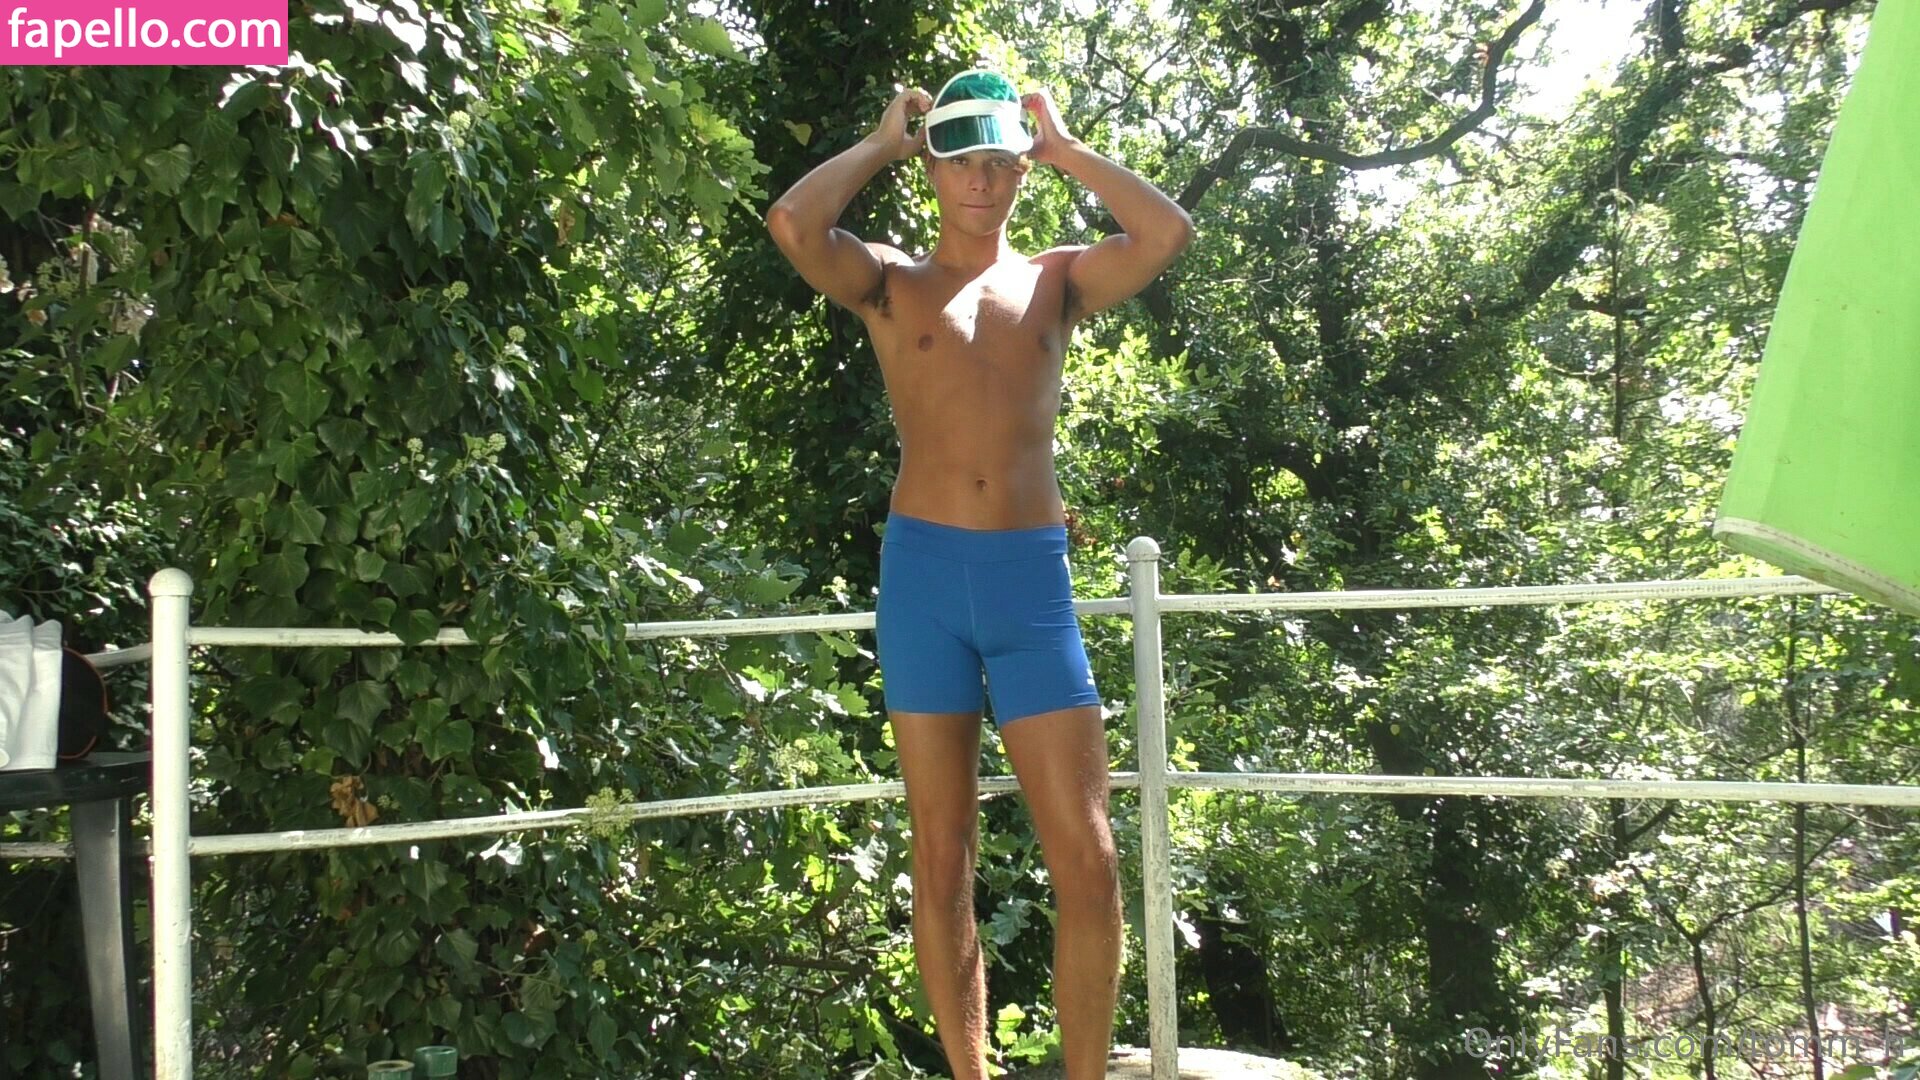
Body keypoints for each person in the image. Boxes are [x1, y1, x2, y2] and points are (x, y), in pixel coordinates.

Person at [765, 67, 1193, 1080]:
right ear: (934, 169)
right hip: (923, 582)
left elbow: (1165, 233)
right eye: (964, 161)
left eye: (1001, 163)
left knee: (1088, 857)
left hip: (1028, 589)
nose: (983, 181)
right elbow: (792, 225)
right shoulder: (889, 279)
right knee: (941, 854)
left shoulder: (1057, 281)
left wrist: (1067, 147)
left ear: (1020, 172)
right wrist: (883, 141)